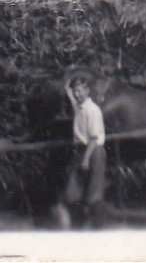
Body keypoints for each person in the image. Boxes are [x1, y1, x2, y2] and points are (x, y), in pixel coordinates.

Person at [58, 73, 107, 227]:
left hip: (94, 152)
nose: (77, 94)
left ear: (87, 90)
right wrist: (68, 89)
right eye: (75, 91)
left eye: (79, 90)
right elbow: (72, 99)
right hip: (80, 150)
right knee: (72, 193)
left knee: (94, 193)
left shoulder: (93, 110)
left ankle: (98, 228)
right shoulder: (79, 107)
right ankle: (81, 225)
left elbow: (93, 138)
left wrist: (86, 159)